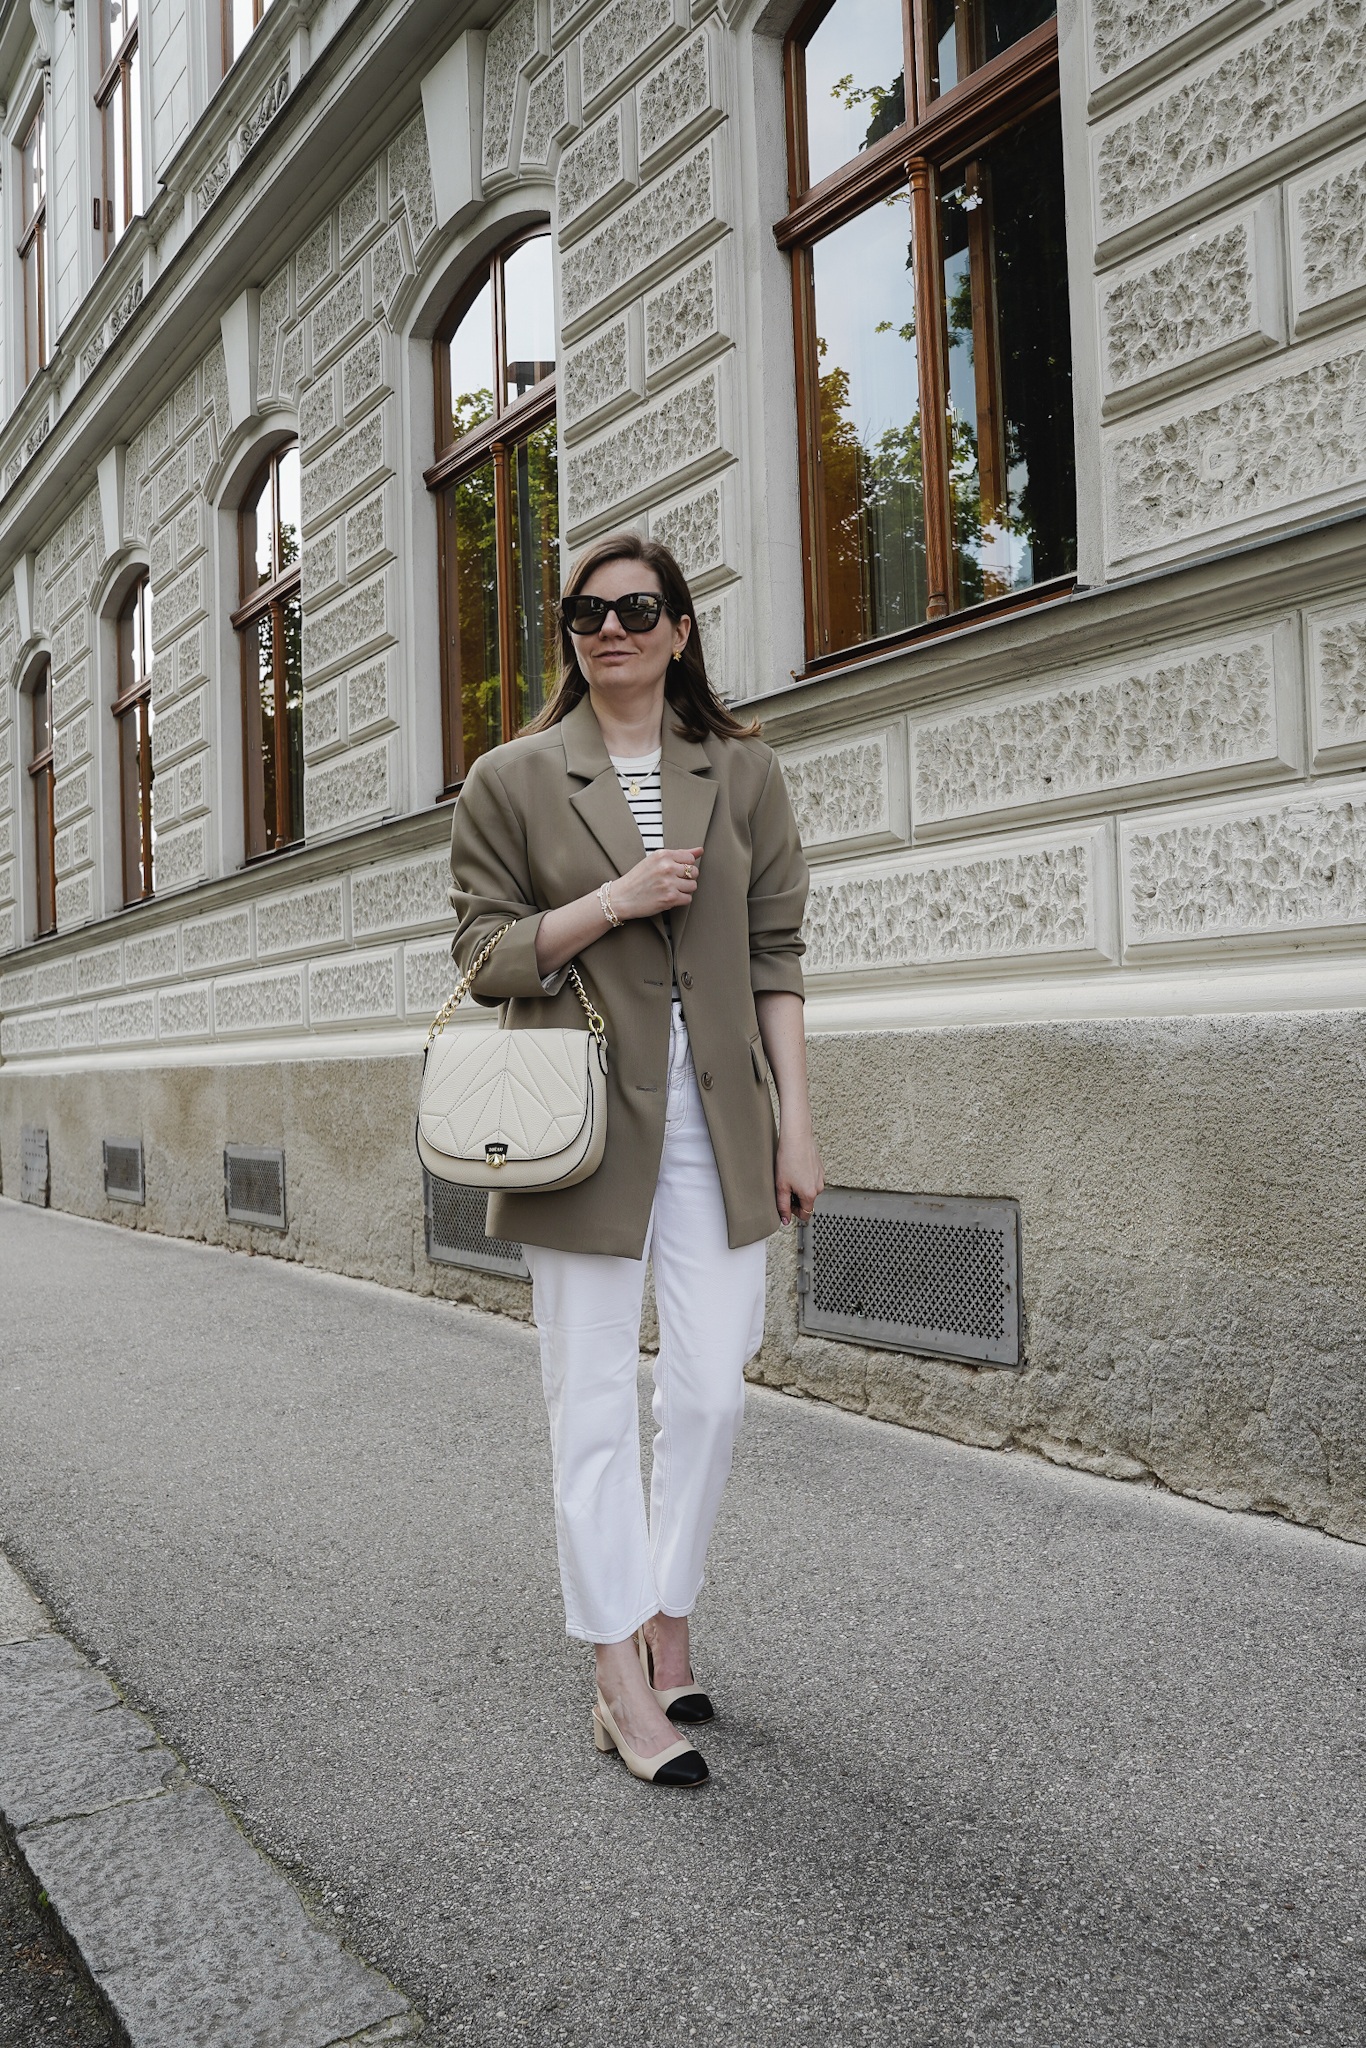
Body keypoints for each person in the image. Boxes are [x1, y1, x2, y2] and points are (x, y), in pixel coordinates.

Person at [447, 532, 823, 1787]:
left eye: (637, 608)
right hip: (582, 1127)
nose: (610, 628)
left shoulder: (744, 772)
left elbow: (775, 958)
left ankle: (669, 1604)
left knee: (710, 1387)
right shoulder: (511, 777)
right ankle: (618, 1670)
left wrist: (798, 1124)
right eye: (586, 612)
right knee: (591, 1401)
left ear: (677, 630)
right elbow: (483, 955)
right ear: (571, 634)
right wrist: (614, 899)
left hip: (718, 1123)